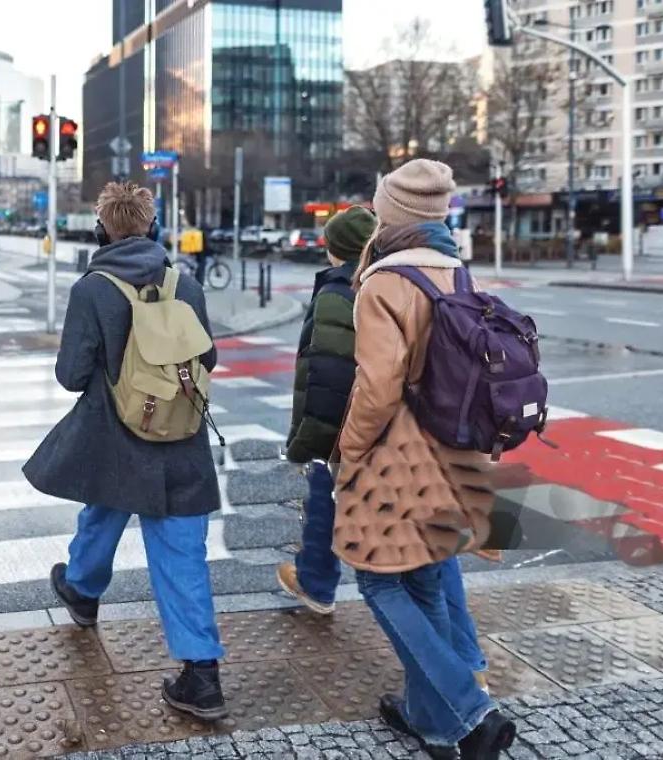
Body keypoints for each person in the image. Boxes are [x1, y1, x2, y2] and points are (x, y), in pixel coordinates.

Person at [23, 181, 227, 721]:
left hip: (115, 437)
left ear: (101, 230)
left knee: (105, 503)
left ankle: (83, 589)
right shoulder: (187, 284)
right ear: (153, 227)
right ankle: (201, 675)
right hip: (181, 437)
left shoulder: (93, 289)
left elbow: (70, 375)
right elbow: (209, 358)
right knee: (181, 552)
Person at [335, 159, 514, 759]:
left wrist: (351, 449)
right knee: (427, 576)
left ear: (391, 213)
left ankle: (469, 710)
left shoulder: (385, 280)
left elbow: (379, 386)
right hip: (452, 449)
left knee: (378, 580)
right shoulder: (457, 272)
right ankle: (432, 721)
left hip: (397, 454)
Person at [277, 205, 376, 614]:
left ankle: (316, 583)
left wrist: (305, 442)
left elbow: (326, 376)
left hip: (343, 424)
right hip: (381, 421)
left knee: (322, 495)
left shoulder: (338, 291)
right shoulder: (384, 282)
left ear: (336, 249)